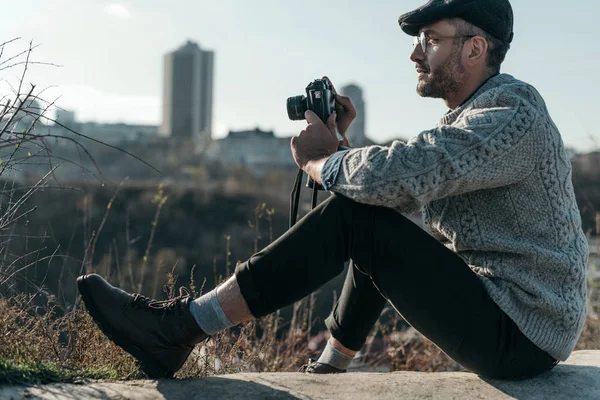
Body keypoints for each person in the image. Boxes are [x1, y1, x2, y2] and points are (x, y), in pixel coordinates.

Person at [77, 0, 588, 380]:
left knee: (361, 219)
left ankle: (181, 328)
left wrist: (322, 160)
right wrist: (344, 148)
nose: (415, 52)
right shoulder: (477, 119)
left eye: (431, 39)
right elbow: (396, 187)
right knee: (370, 212)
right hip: (511, 320)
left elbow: (407, 174)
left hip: (523, 331)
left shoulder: (511, 112)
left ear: (475, 48)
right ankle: (332, 363)